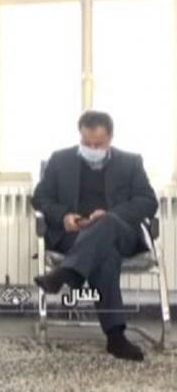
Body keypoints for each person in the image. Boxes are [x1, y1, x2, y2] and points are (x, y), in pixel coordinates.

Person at [32, 110, 157, 362]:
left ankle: (67, 272)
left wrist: (110, 215)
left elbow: (148, 202)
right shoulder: (60, 160)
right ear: (80, 136)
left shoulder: (130, 162)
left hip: (121, 233)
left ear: (110, 138)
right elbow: (40, 198)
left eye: (97, 144)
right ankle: (115, 336)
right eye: (86, 143)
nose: (91, 148)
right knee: (105, 256)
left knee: (106, 223)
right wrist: (64, 216)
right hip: (75, 234)